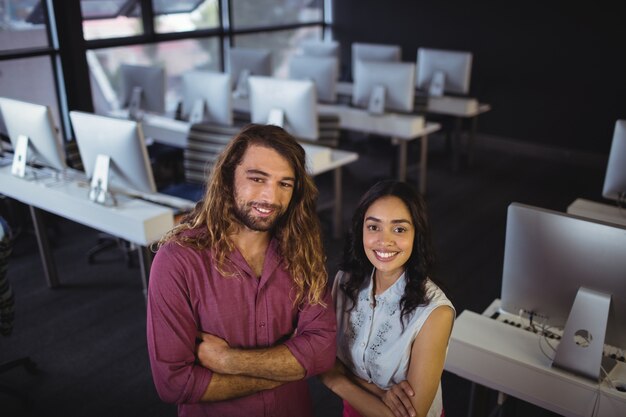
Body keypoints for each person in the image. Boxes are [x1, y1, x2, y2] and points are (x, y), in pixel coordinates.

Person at [146, 124, 337, 417]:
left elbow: (322, 352)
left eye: (284, 184)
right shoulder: (178, 260)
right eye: (257, 179)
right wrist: (288, 366)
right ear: (227, 178)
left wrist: (227, 361)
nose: (271, 198)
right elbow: (174, 384)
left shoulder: (302, 250)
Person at [320, 180, 455, 417]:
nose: (385, 241)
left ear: (417, 235)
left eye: (399, 229)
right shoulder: (344, 281)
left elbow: (410, 415)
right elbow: (325, 355)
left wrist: (336, 381)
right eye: (374, 227)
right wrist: (380, 393)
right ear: (360, 229)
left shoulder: (435, 312)